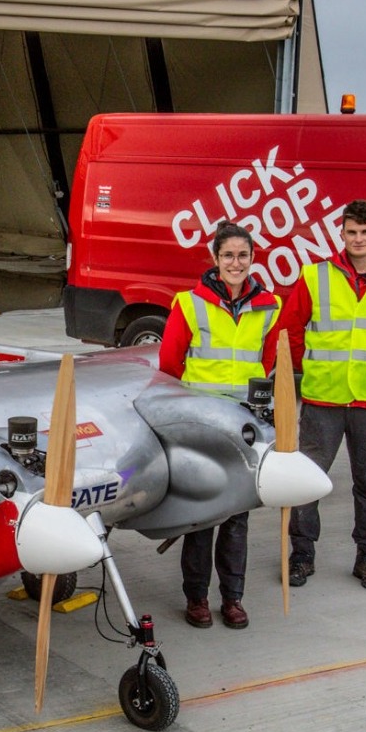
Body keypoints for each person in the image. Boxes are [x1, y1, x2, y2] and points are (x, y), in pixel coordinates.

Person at [265, 199, 366, 592]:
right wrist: (313, 367)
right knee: (307, 483)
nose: (359, 239)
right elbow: (290, 330)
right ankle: (301, 557)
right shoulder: (316, 276)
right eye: (352, 232)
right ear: (342, 234)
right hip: (323, 400)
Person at [158, 222, 280, 629]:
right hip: (202, 427)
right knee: (202, 516)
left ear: (252, 259)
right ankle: (196, 598)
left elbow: (272, 362)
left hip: (243, 426)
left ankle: (232, 598)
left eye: (242, 256)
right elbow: (170, 365)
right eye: (227, 256)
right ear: (215, 259)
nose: (235, 263)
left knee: (236, 518)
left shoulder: (269, 307)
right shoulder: (188, 304)